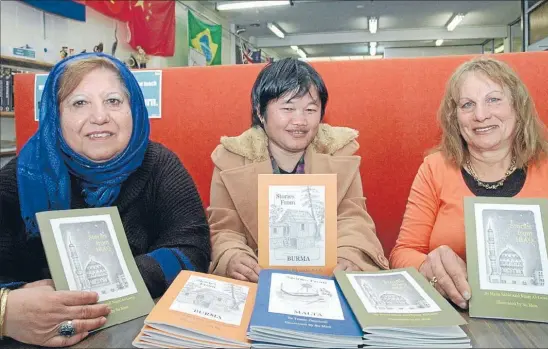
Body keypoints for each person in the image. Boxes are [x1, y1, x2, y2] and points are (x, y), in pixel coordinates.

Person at [0, 52, 211, 347]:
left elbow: (193, 250)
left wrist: (105, 285)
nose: (99, 116)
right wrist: (7, 310)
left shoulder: (160, 165)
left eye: (113, 101)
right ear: (55, 115)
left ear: (133, 109)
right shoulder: (20, 179)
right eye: (79, 103)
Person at [390, 56, 548, 310]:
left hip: (542, 322)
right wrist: (429, 269)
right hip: (457, 314)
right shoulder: (434, 169)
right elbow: (402, 253)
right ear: (455, 118)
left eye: (493, 100)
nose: (481, 115)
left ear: (517, 106)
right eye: (467, 105)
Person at [208, 58, 389, 282]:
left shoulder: (338, 154)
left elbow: (352, 220)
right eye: (288, 108)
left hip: (325, 280)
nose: (300, 120)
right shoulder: (231, 159)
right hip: (259, 282)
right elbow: (225, 230)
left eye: (310, 109)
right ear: (260, 112)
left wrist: (348, 255)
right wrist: (233, 257)